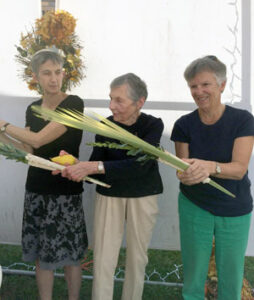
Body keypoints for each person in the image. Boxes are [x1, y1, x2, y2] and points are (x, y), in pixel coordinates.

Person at [60, 73, 164, 300]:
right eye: (111, 98)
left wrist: (93, 167)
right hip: (109, 195)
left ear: (140, 102)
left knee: (137, 258)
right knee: (104, 258)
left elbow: (141, 164)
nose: (111, 106)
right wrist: (75, 166)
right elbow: (95, 165)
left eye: (119, 100)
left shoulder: (153, 125)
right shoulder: (105, 125)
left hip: (143, 195)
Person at [0, 49, 87, 300]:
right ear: (36, 76)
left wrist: (5, 125)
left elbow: (39, 139)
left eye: (58, 72)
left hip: (65, 190)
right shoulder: (33, 109)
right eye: (47, 73)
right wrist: (3, 136)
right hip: (37, 190)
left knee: (71, 255)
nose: (53, 78)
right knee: (41, 255)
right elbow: (28, 150)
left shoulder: (73, 103)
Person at [170, 55, 254, 300]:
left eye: (205, 84)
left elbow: (239, 169)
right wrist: (185, 175)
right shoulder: (183, 125)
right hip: (194, 205)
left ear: (222, 85)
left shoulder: (242, 121)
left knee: (231, 274)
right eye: (193, 86)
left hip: (234, 206)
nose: (199, 91)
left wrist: (209, 167)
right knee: (194, 273)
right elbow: (181, 169)